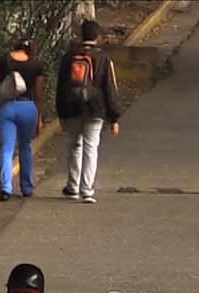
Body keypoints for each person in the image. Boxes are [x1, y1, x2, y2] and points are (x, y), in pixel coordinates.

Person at [56, 19, 124, 204]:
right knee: (91, 148)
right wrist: (114, 117)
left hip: (71, 107)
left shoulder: (69, 56)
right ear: (98, 37)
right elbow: (109, 88)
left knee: (73, 146)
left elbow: (61, 86)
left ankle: (72, 187)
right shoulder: (103, 58)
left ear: (81, 35)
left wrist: (60, 113)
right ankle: (87, 190)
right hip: (95, 108)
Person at [0, 36, 46, 201]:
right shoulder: (36, 64)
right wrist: (39, 117)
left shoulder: (2, 58)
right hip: (27, 108)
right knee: (25, 146)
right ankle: (27, 187)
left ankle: (5, 188)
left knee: (6, 148)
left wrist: (0, 86)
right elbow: (39, 94)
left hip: (5, 107)